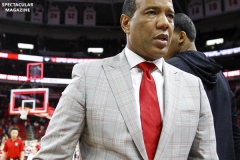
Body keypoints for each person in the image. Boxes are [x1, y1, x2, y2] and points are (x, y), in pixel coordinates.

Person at [33, 0, 218, 159]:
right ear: (126, 23)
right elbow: (52, 156)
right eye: (152, 12)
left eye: (170, 15)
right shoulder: (87, 78)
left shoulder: (194, 86)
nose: (165, 23)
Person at [165, 13, 240, 160]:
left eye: (166, 37)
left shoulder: (170, 70)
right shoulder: (220, 74)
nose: (161, 43)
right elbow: (235, 134)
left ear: (181, 37)